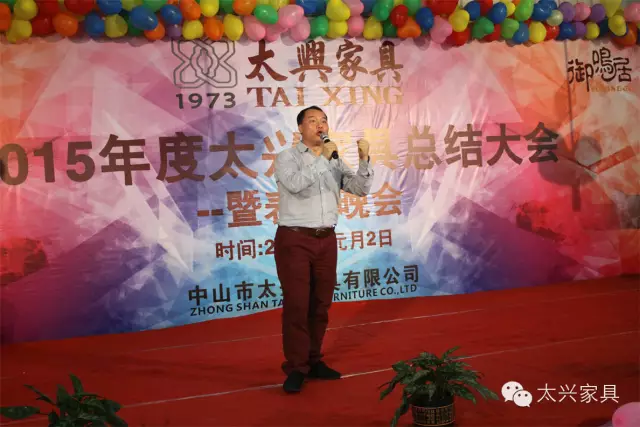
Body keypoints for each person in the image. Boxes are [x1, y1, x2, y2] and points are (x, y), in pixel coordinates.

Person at [273, 106, 374, 393]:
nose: (320, 125)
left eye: (324, 120)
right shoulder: (287, 157)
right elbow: (294, 184)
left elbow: (359, 188)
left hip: (326, 239)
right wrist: (321, 158)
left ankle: (313, 360)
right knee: (297, 305)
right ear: (300, 128)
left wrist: (364, 160)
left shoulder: (333, 159)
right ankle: (296, 367)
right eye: (313, 121)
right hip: (295, 239)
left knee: (320, 304)